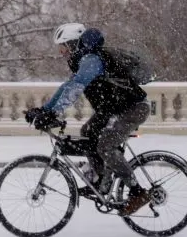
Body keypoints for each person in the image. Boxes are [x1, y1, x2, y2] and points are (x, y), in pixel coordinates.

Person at [24, 23, 152, 216]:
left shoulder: (92, 60)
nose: (62, 52)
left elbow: (76, 87)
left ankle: (137, 192)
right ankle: (101, 179)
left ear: (74, 44)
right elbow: (67, 87)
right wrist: (45, 109)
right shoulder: (83, 60)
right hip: (112, 110)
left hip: (132, 108)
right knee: (87, 133)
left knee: (106, 146)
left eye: (64, 46)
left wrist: (52, 113)